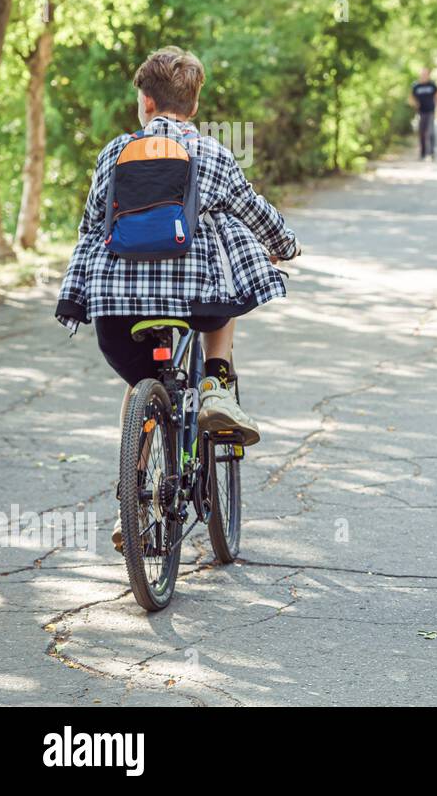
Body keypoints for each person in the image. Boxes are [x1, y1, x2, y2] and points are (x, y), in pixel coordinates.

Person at [54, 46, 300, 550]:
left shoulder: (113, 154)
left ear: (144, 102)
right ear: (193, 106)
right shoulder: (211, 152)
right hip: (197, 302)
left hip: (118, 311)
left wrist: (75, 295)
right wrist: (285, 247)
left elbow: (89, 228)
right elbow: (252, 210)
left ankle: (132, 500)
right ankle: (215, 385)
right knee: (224, 270)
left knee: (141, 386)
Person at [410, 67, 437, 160]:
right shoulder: (416, 86)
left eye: (426, 74)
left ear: (428, 75)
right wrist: (415, 104)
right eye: (422, 74)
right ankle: (422, 153)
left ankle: (431, 153)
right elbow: (411, 98)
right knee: (422, 132)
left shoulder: (432, 85)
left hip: (430, 111)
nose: (424, 76)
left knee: (430, 132)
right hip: (421, 112)